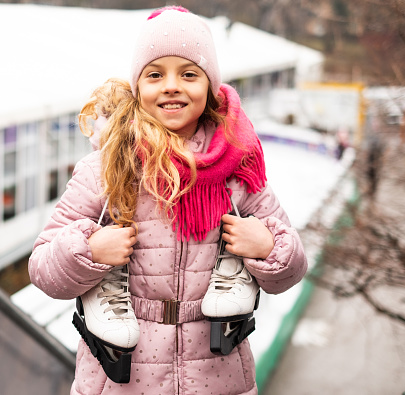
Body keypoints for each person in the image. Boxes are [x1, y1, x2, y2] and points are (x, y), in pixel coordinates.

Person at [28, 6, 307, 394]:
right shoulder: (105, 168)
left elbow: (294, 268)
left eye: (188, 74)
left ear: (210, 86)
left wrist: (268, 247)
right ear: (137, 86)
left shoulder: (236, 168)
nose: (171, 86)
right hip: (120, 377)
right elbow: (42, 268)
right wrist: (88, 249)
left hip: (217, 376)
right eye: (155, 74)